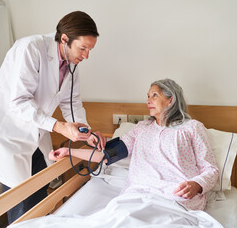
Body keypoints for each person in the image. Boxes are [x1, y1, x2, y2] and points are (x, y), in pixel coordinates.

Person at [0, 11, 106, 223]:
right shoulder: (30, 48)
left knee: (40, 191)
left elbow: (71, 103)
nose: (86, 56)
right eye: (83, 48)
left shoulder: (71, 64)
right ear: (64, 39)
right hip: (11, 134)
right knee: (21, 201)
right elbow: (19, 102)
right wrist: (60, 127)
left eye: (90, 50)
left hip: (37, 131)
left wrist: (86, 132)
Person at [50, 78, 219, 211]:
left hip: (175, 197)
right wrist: (68, 152)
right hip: (138, 195)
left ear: (170, 100)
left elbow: (211, 169)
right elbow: (106, 154)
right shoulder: (141, 129)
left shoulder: (192, 128)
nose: (148, 100)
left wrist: (197, 185)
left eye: (154, 95)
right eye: (148, 96)